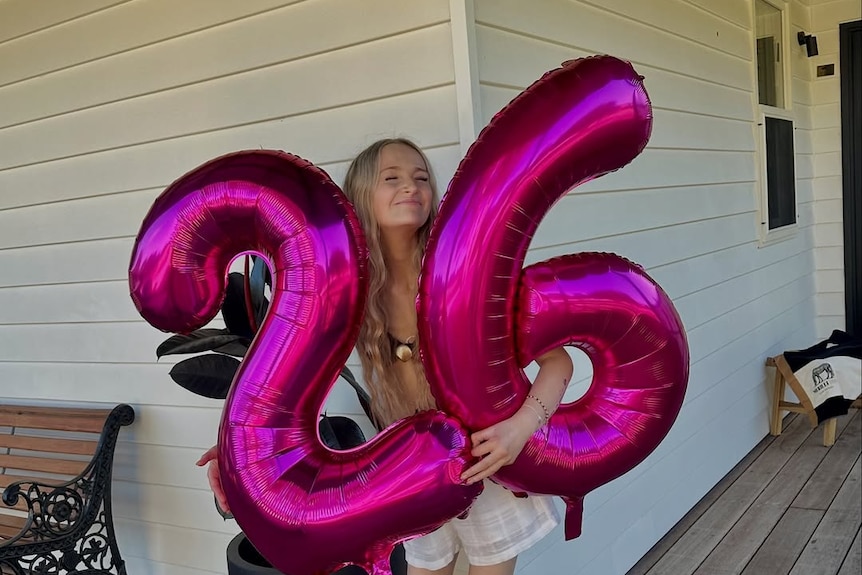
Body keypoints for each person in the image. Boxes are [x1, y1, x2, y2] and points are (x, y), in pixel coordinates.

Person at [197, 138, 573, 575]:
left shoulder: (463, 276)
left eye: (421, 178)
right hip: (413, 468)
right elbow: (286, 381)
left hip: (488, 462)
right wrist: (239, 452)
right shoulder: (347, 292)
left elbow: (558, 363)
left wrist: (519, 431)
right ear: (361, 196)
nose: (411, 187)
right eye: (391, 178)